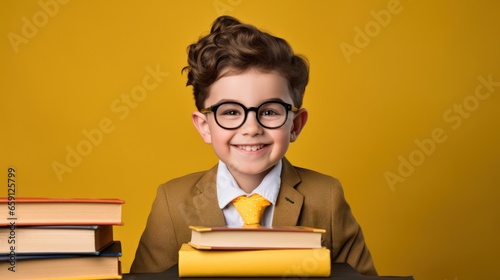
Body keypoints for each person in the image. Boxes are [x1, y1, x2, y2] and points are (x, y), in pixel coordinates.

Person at [130, 15, 377, 275]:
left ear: (295, 125)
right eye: (231, 112)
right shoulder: (171, 203)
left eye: (270, 111)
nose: (251, 129)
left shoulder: (327, 198)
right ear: (205, 127)